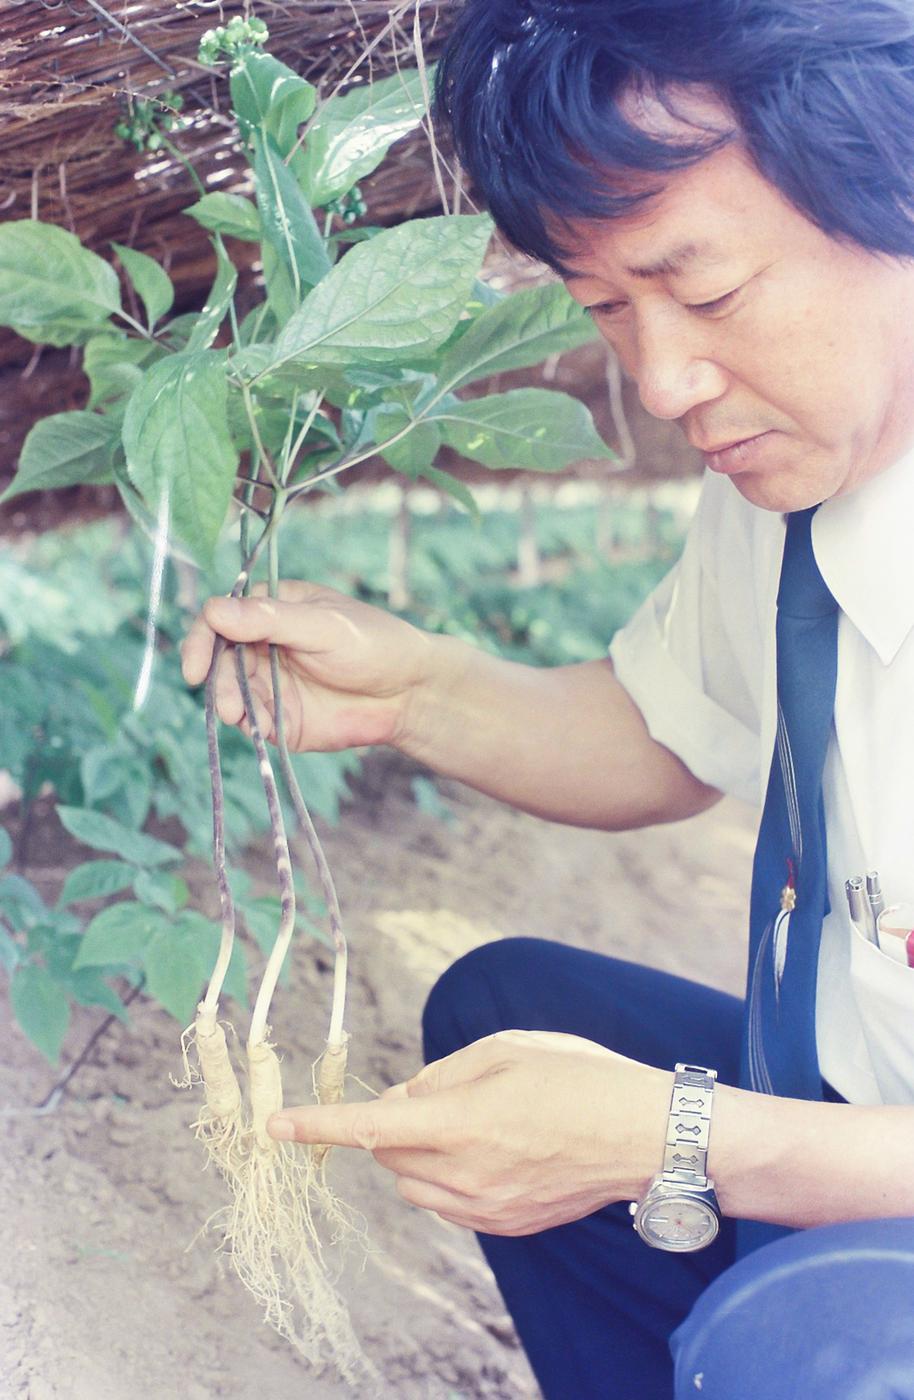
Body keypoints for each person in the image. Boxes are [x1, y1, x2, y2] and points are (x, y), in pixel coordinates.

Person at [181, 2, 914, 1395]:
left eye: (701, 291)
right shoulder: (798, 480)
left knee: (831, 1355)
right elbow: (660, 735)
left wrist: (679, 1137)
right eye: (603, 310)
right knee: (505, 1011)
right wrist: (412, 689)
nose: (660, 380)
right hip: (858, 1121)